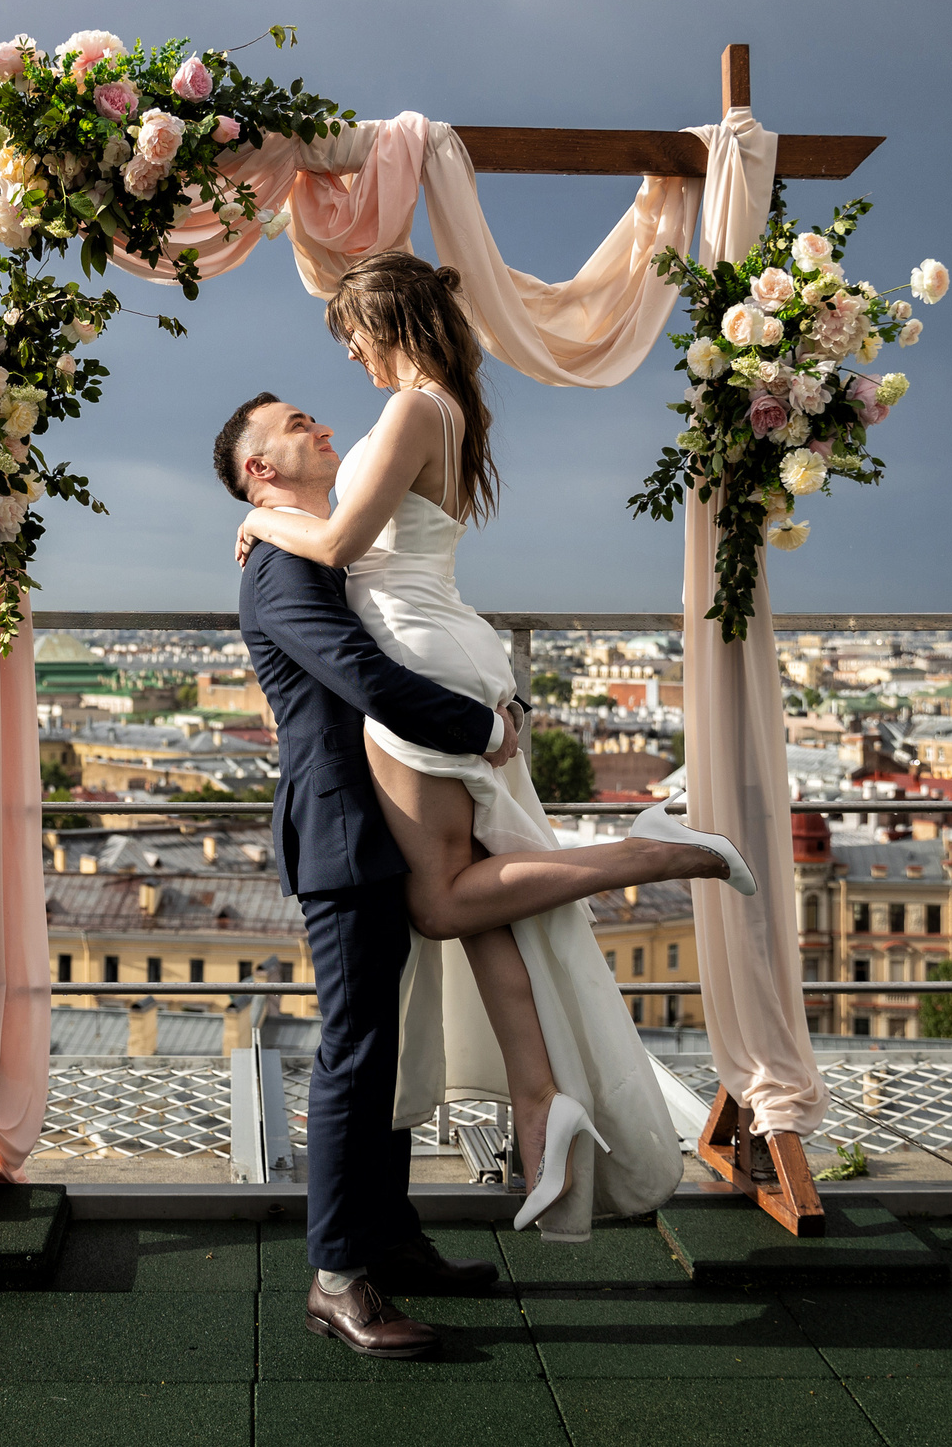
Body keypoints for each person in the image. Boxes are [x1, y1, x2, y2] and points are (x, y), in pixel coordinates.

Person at [229, 251, 754, 1241]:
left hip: (427, 664)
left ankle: (657, 850)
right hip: (450, 646)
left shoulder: (414, 411)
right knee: (481, 901)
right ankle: (538, 1100)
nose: (350, 360)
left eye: (350, 335)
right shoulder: (450, 411)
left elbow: (339, 546)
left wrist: (259, 516)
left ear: (383, 322)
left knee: (440, 897)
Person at [219, 390, 523, 1358]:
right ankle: (338, 1274)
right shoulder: (278, 569)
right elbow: (362, 675)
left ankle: (387, 1239)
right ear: (259, 470)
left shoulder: (308, 545)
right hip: (345, 832)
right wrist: (485, 729)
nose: (317, 423)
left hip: (382, 823)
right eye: (291, 425)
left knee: (383, 1045)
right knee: (355, 1048)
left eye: (311, 413)